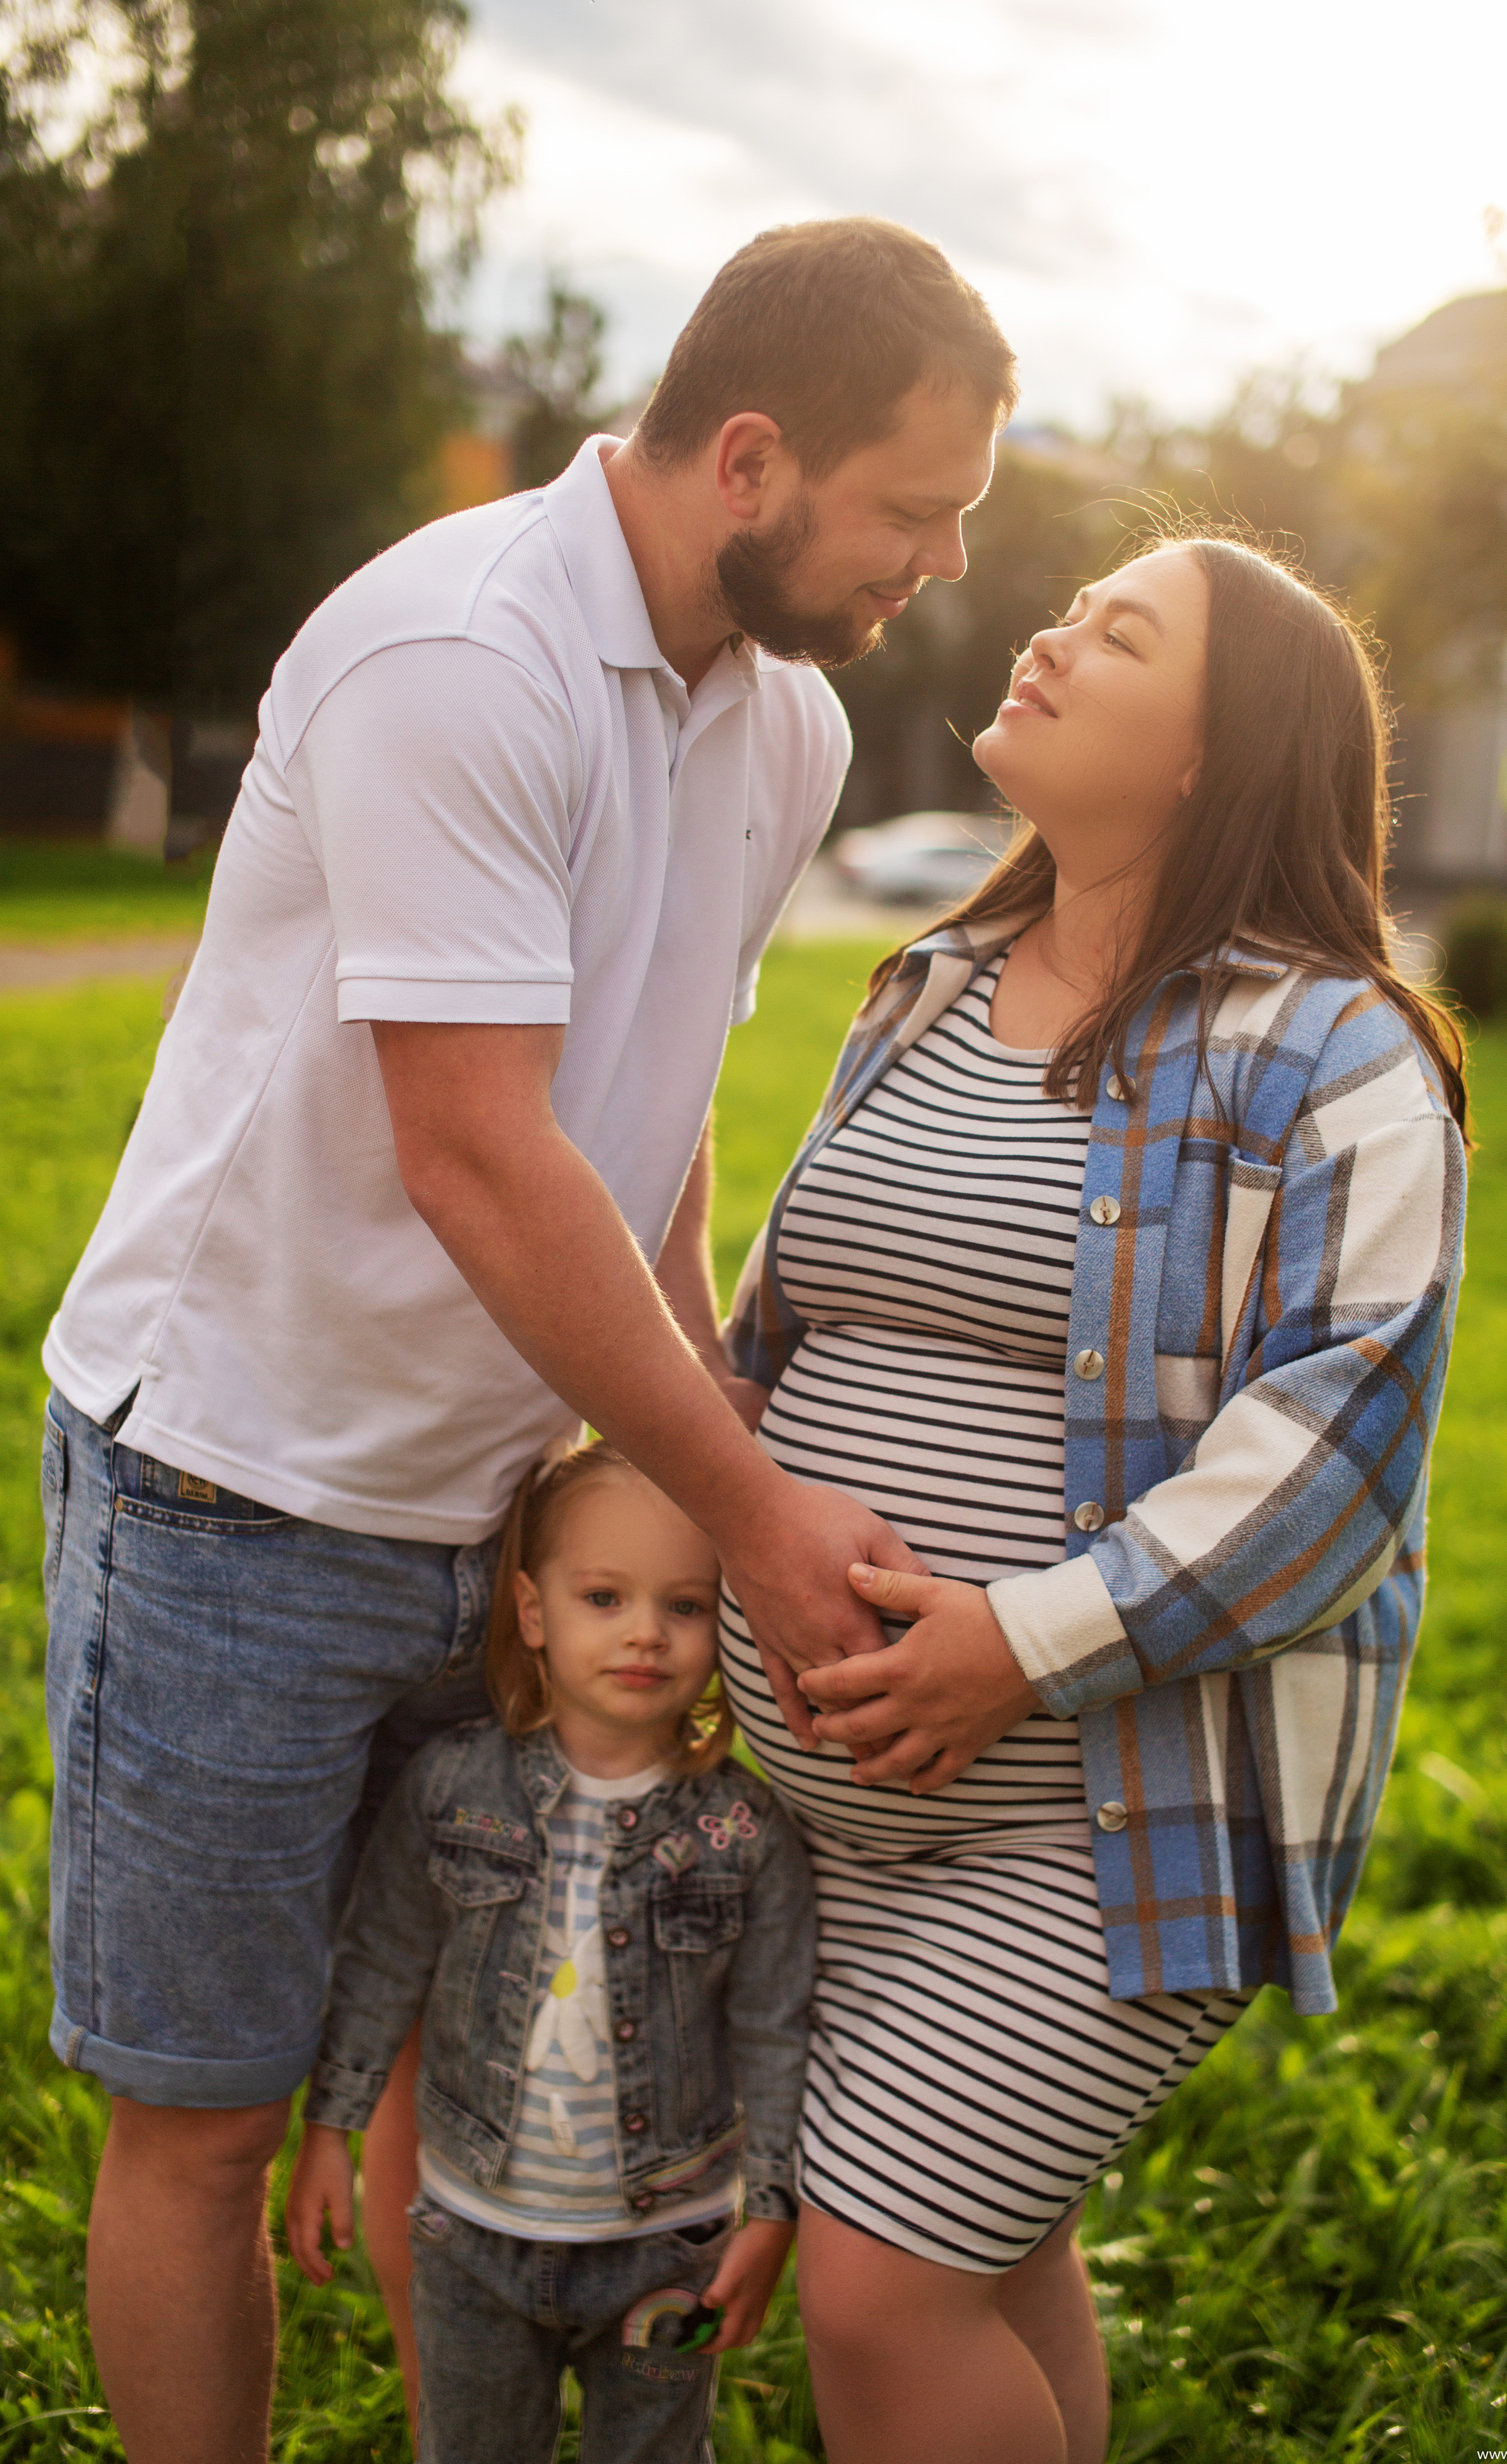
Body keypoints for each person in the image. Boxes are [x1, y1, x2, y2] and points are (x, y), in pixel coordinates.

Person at [37, 215, 1015, 2461]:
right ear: (750, 459)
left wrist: (699, 1453)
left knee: (433, 2087)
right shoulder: (454, 656)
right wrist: (760, 1520)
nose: (937, 568)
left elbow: (639, 1129)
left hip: (493, 1519)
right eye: (914, 509)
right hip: (237, 1496)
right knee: (205, 2130)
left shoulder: (788, 723)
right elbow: (479, 1152)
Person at [718, 531, 1469, 2464]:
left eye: (1118, 633)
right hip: (833, 1811)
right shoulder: (931, 984)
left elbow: (1344, 1445)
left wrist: (1016, 1644)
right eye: (1076, 607)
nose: (1053, 632)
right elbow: (781, 1325)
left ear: (1221, 755)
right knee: (987, 2250)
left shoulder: (1337, 1052)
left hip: (1106, 1833)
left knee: (879, 2292)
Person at [284, 1441, 813, 2464]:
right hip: (468, 2240)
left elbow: (774, 2030)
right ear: (533, 1611)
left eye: (687, 1607)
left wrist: (772, 2208)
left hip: (673, 2248)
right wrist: (327, 2130)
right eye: (604, 1597)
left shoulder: (747, 1835)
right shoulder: (449, 1792)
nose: (646, 1635)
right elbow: (379, 1962)